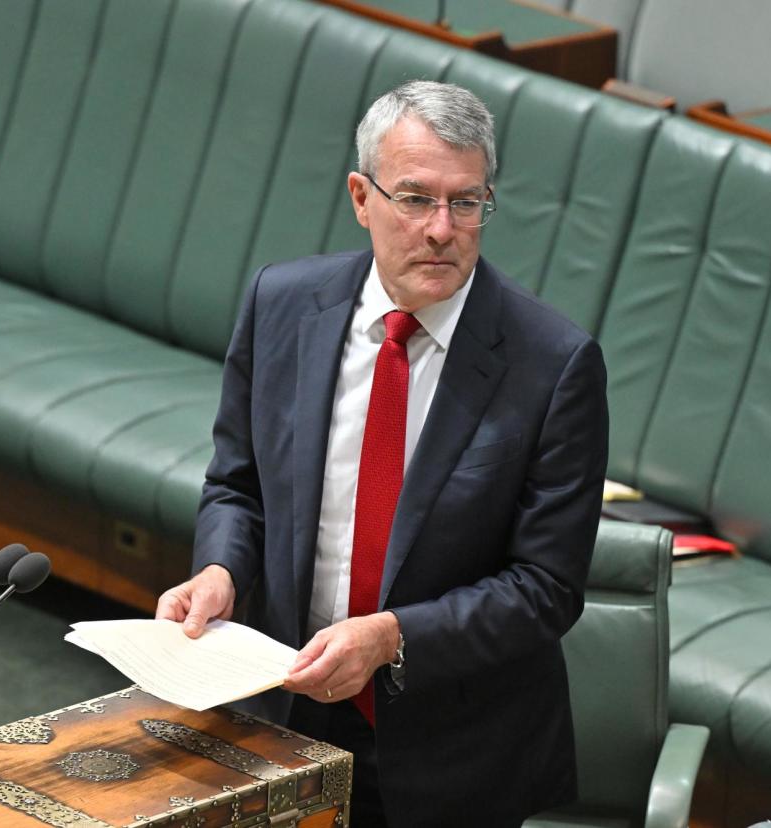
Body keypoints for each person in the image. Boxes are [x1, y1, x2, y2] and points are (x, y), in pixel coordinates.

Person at [156, 80, 608, 827]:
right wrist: (221, 568)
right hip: (279, 707)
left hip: (449, 751)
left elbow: (545, 587)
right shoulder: (282, 303)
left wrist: (392, 637)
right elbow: (238, 485)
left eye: (465, 203)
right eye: (414, 199)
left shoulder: (551, 363)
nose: (441, 229)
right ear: (361, 197)